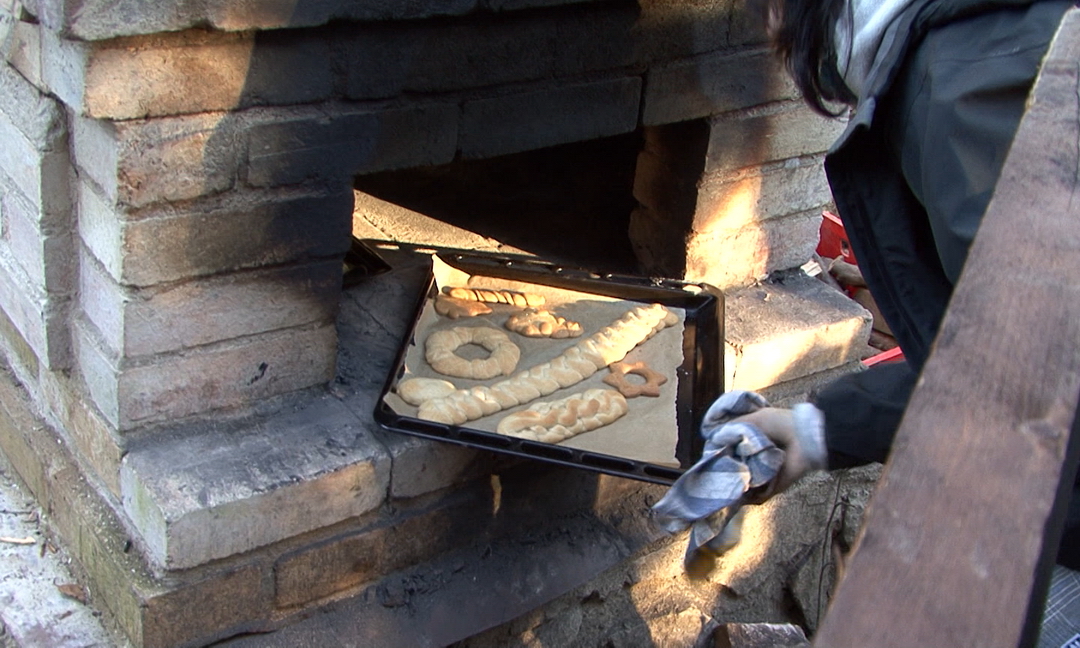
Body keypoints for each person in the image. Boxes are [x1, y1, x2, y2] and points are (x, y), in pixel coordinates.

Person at [722, 0, 1079, 641]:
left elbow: (1033, 366)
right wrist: (820, 428)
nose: (771, 34)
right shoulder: (985, 46)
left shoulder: (962, 95)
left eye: (766, 14)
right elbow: (1012, 348)